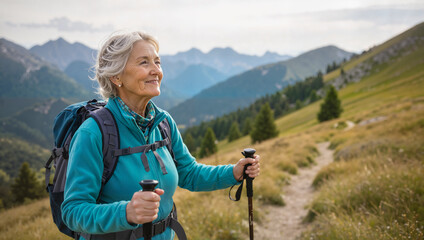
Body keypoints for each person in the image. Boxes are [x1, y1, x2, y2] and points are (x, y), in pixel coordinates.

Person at [61, 31, 260, 240]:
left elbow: (189, 173)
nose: (156, 70)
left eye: (157, 62)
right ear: (116, 76)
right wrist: (126, 212)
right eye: (144, 62)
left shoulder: (163, 123)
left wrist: (234, 173)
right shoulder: (93, 133)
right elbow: (73, 211)